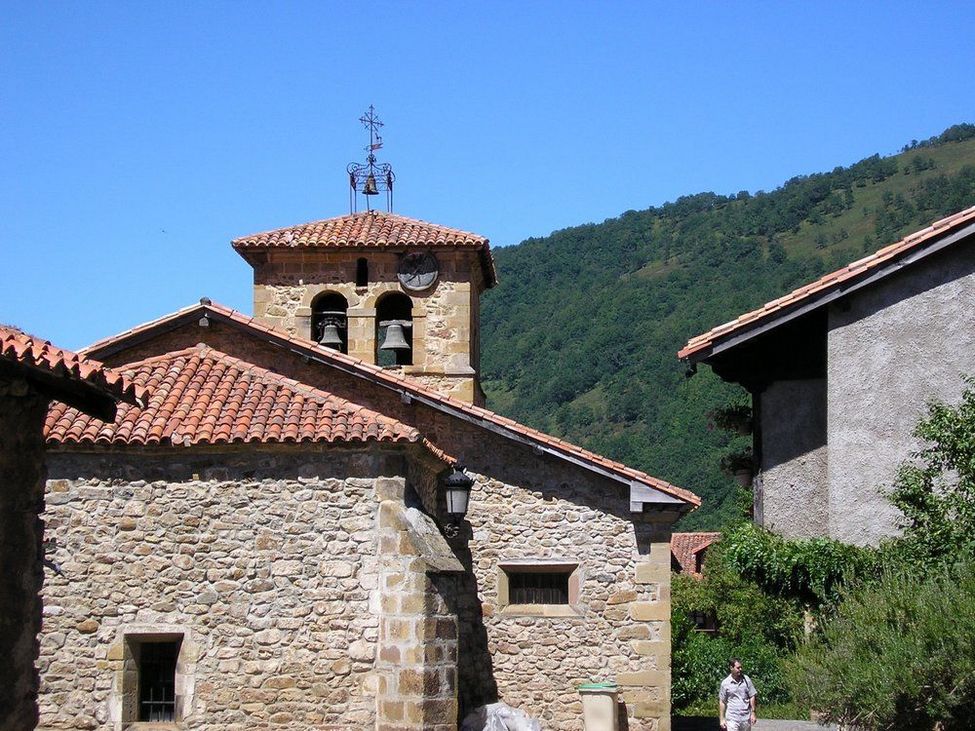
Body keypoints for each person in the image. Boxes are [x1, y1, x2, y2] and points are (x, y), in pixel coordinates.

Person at [719, 658, 757, 730]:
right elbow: (722, 701)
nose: (740, 669)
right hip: (732, 719)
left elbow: (752, 695)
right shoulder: (725, 683)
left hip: (746, 719)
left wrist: (753, 713)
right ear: (731, 668)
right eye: (738, 668)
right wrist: (722, 719)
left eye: (741, 667)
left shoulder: (746, 680)